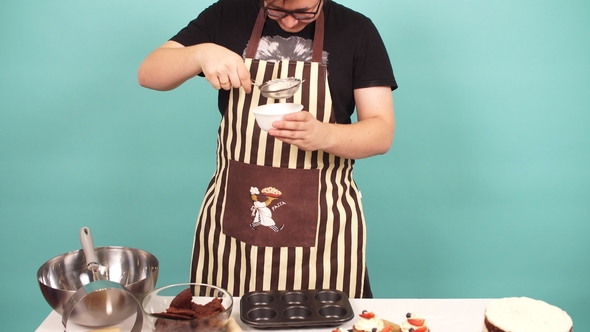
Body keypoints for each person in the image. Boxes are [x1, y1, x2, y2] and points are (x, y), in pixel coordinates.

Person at [138, 0, 397, 298]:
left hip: (324, 229)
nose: (288, 22)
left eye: (303, 13)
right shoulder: (227, 15)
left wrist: (323, 134)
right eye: (276, 10)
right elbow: (148, 74)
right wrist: (200, 52)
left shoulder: (356, 30)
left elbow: (381, 133)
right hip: (236, 223)